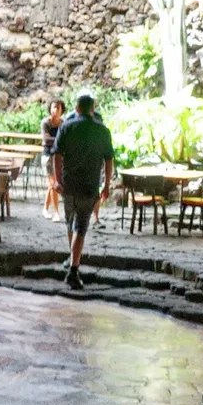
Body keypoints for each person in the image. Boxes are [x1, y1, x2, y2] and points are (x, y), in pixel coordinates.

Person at [51, 93, 115, 290]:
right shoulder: (102, 131)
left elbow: (57, 154)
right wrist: (106, 184)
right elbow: (108, 159)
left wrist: (57, 179)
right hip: (89, 184)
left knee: (71, 223)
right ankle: (73, 268)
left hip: (69, 184)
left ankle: (72, 259)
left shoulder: (66, 127)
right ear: (92, 109)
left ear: (76, 109)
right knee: (81, 226)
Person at [40, 98, 66, 222]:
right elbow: (46, 140)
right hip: (48, 156)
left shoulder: (63, 124)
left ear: (62, 110)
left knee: (52, 185)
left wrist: (55, 140)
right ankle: (56, 212)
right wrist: (58, 141)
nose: (55, 110)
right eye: (53, 107)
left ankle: (45, 209)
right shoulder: (46, 123)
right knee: (53, 184)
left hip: (59, 157)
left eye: (58, 108)